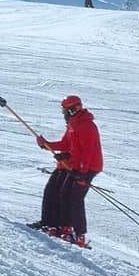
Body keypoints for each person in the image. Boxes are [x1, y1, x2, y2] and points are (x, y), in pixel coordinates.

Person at [30, 94, 103, 247]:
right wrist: (48, 145)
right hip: (77, 166)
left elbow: (87, 152)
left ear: (72, 110)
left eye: (65, 111)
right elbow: (66, 144)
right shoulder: (73, 124)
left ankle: (78, 235)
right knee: (59, 192)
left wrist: (82, 172)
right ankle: (57, 226)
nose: (63, 114)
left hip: (88, 167)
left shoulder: (86, 126)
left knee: (74, 198)